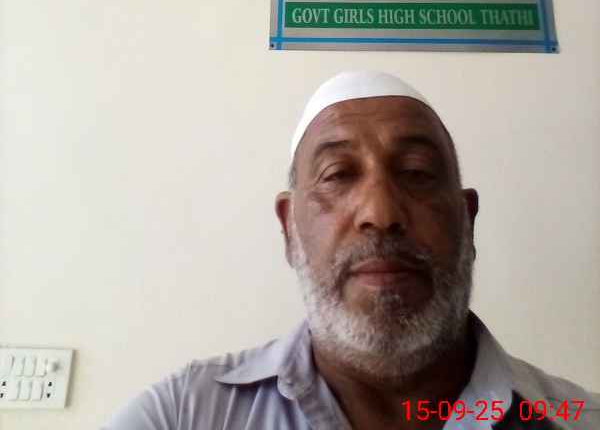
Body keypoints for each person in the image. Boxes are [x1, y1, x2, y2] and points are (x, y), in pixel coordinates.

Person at [102, 71, 599, 429]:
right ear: (289, 228)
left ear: (467, 221)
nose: (380, 212)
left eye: (417, 172)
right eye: (338, 175)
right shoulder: (183, 416)